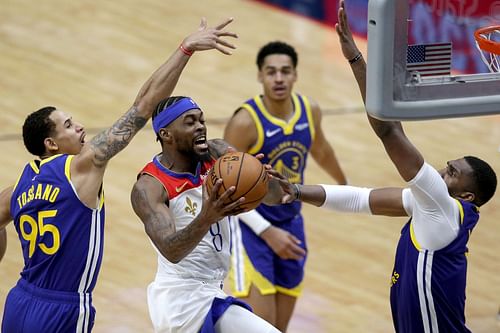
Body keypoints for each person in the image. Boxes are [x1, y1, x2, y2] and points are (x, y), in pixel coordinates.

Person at [269, 1, 497, 332]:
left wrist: (355, 59)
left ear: (467, 195)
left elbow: (388, 130)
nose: (439, 171)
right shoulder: (431, 210)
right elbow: (361, 200)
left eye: (451, 172)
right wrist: (296, 190)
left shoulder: (443, 208)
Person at [0, 17, 238, 333]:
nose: (81, 127)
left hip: (19, 300)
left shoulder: (19, 186)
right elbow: (142, 108)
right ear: (51, 143)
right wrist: (185, 49)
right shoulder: (82, 165)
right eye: (69, 125)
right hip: (62, 306)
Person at [222, 40, 347, 330]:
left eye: (285, 71)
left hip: (291, 221)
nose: (278, 78)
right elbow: (222, 188)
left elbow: (322, 150)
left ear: (295, 75)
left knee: (279, 328)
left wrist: (345, 188)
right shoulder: (245, 122)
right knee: (261, 326)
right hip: (249, 227)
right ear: (260, 76)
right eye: (271, 72)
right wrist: (266, 231)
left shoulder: (309, 110)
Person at [130, 96, 282, 333]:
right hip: (182, 300)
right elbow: (171, 251)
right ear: (166, 134)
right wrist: (207, 216)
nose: (200, 126)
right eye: (190, 123)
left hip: (211, 289)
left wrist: (261, 178)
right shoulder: (149, 187)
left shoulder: (218, 152)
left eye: (201, 120)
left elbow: (274, 198)